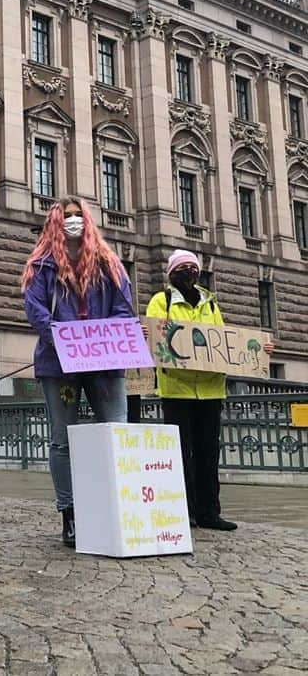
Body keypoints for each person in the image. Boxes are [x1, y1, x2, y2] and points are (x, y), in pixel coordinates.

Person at [21, 196, 133, 548]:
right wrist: (63, 337)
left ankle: (117, 508)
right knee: (62, 439)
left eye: (77, 215)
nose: (72, 221)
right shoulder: (42, 265)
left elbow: (124, 307)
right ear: (55, 222)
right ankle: (70, 513)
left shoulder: (108, 262)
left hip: (105, 362)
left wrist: (98, 337)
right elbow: (34, 306)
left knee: (116, 433)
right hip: (60, 364)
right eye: (66, 216)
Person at [144, 250, 273, 532]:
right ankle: (184, 510)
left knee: (208, 452)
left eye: (193, 267)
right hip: (177, 390)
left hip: (211, 390)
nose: (189, 271)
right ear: (172, 272)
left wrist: (260, 351)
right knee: (180, 454)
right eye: (183, 267)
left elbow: (225, 342)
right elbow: (155, 338)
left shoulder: (210, 304)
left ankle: (209, 512)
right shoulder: (160, 301)